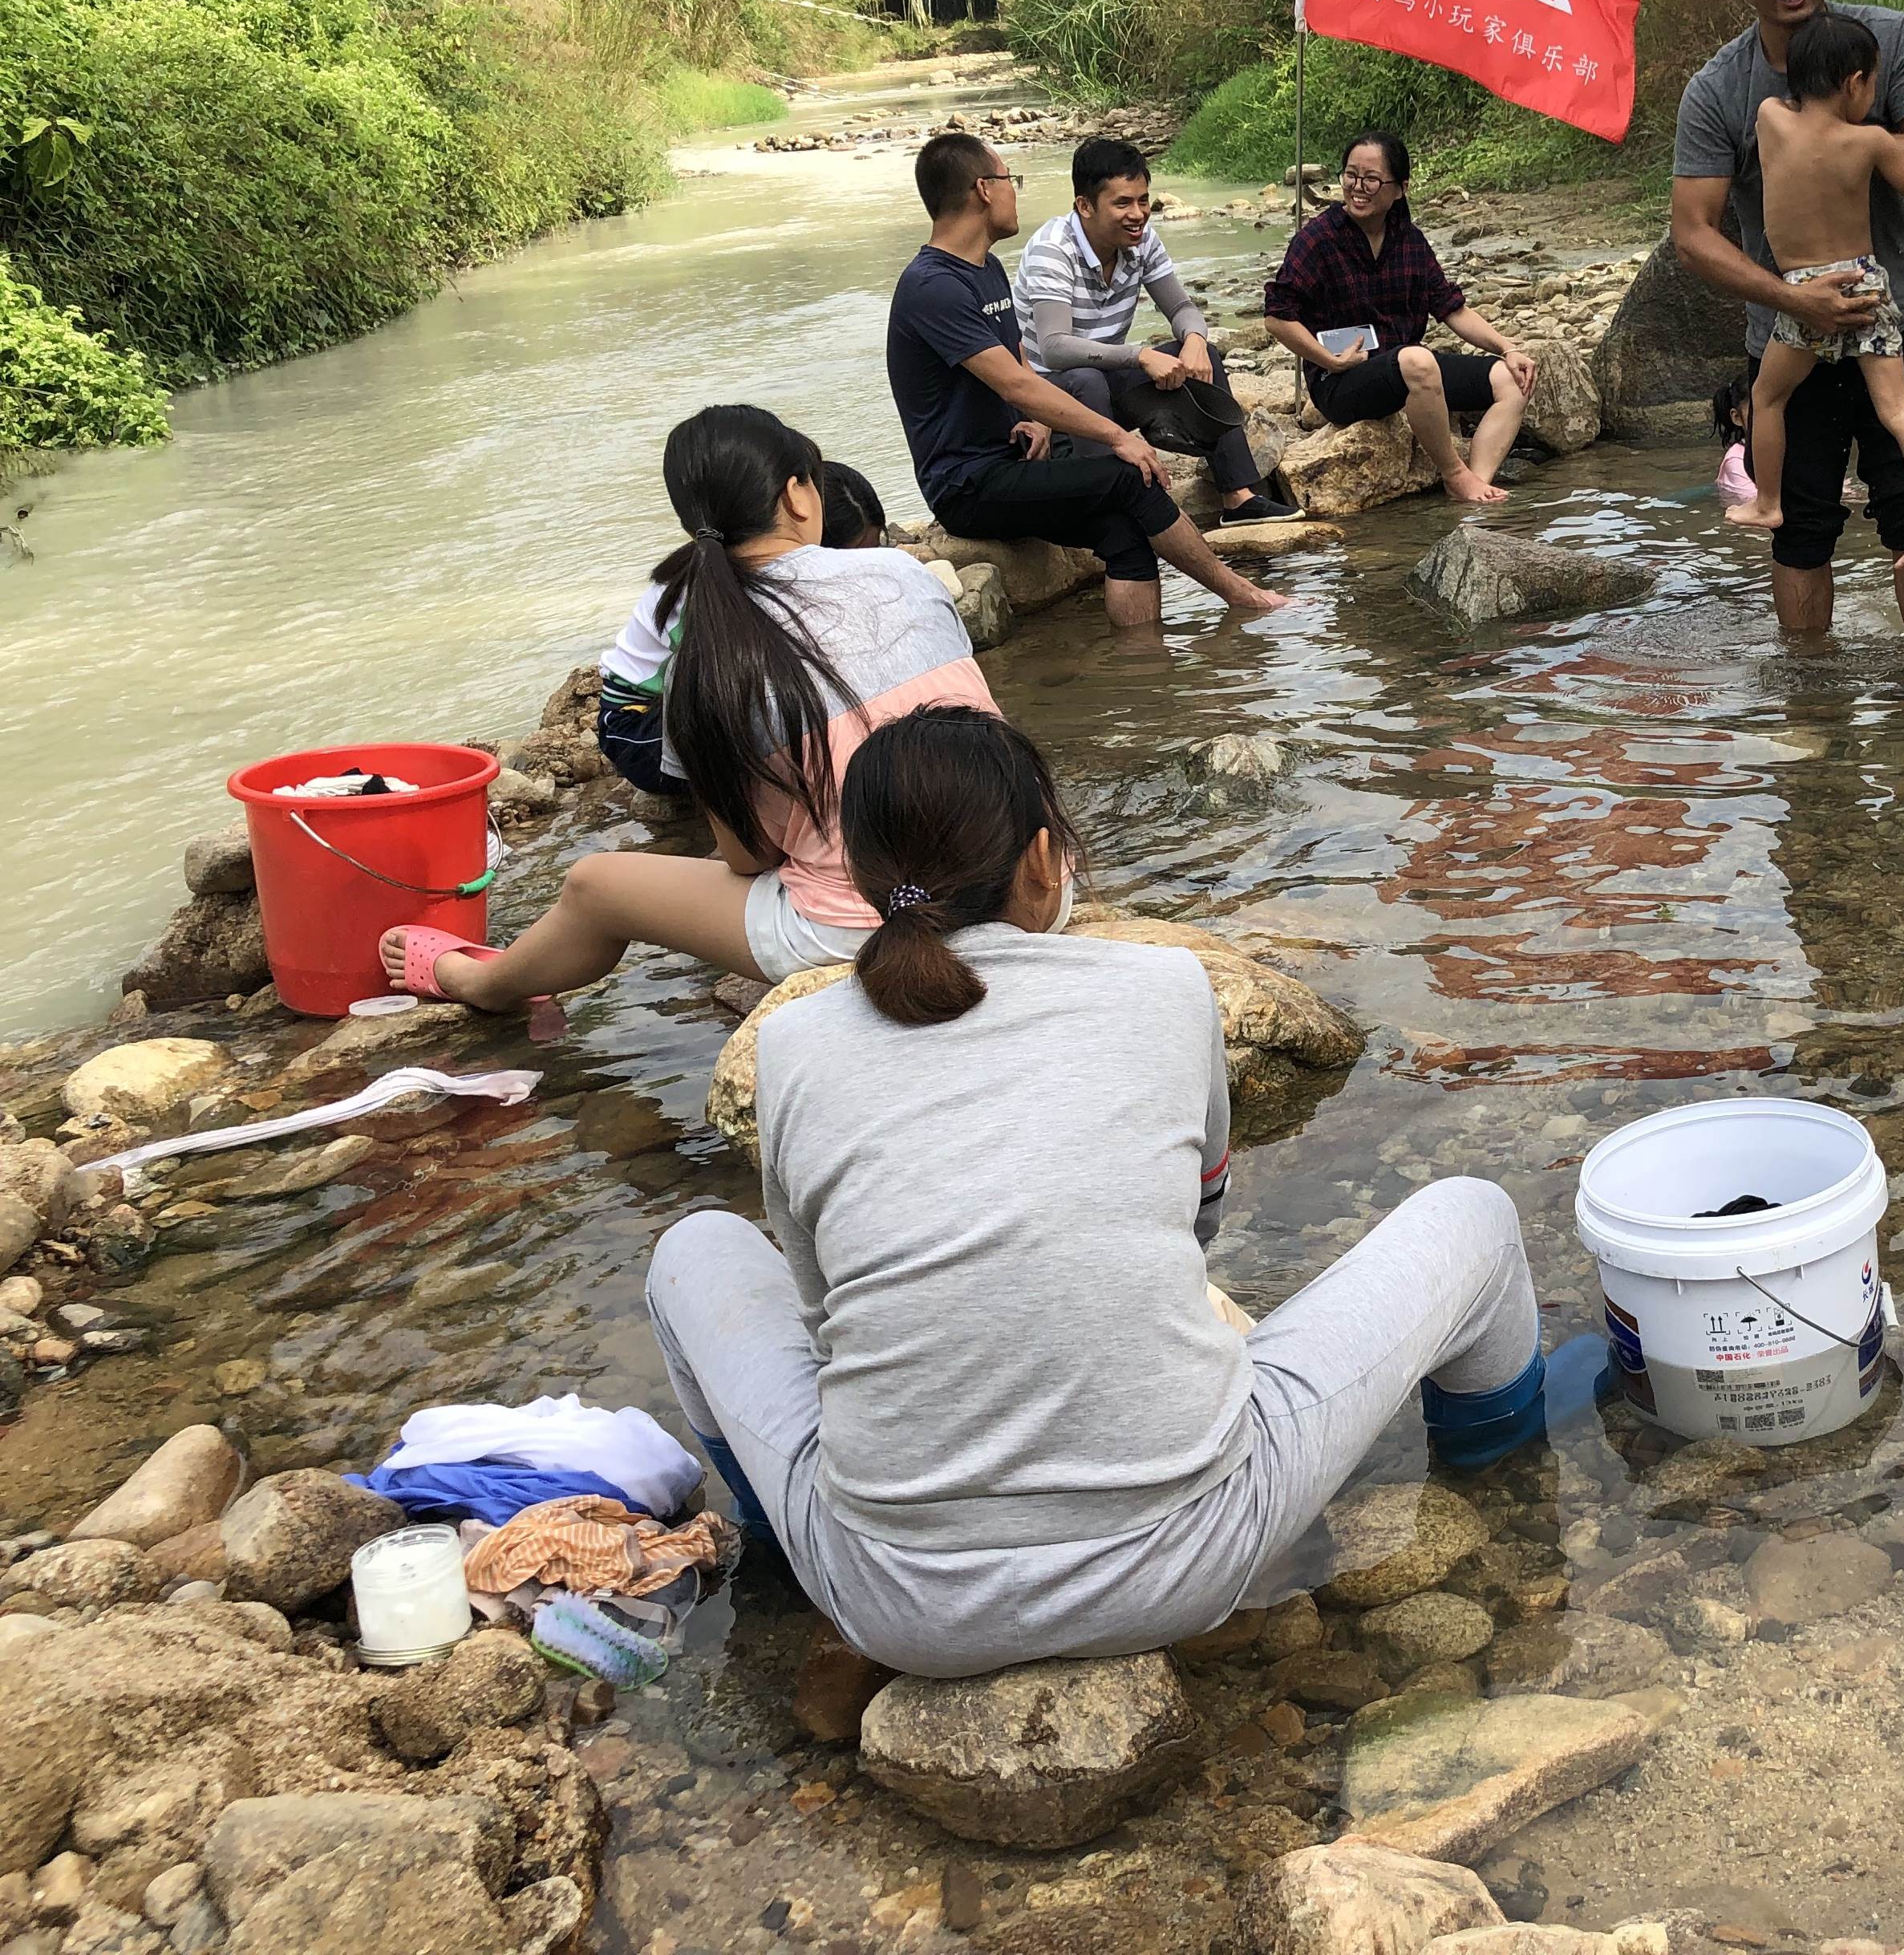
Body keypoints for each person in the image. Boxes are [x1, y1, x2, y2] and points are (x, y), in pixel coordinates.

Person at [641, 704, 1608, 1675]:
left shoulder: (794, 1044)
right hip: (1188, 1559)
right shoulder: (1166, 988)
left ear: (859, 877)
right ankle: (1497, 1477)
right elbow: (1199, 1224)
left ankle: (776, 1559)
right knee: (1474, 1219)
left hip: (897, 1606)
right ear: (1040, 859)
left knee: (691, 1255)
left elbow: (821, 1318)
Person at [383, 408, 998, 1015]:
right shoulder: (901, 571)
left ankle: (476, 985)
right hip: (1015, 885)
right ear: (799, 496)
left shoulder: (706, 658)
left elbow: (748, 860)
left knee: (593, 886)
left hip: (852, 932)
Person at [1671, 0, 1904, 641]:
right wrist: (1793, 299)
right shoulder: (1719, 89)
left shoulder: (1888, 40)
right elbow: (1694, 232)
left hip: (1900, 314)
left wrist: (1843, 146)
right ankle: (1811, 705)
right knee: (1801, 525)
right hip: (1787, 321)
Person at [889, 132, 1292, 625]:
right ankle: (1246, 597)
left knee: (1125, 537)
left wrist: (1032, 421)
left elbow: (1015, 366)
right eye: (1010, 180)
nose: (1016, 191)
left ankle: (1139, 677)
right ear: (984, 189)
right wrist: (1119, 437)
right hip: (967, 484)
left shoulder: (986, 268)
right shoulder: (934, 287)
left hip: (1018, 452)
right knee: (1130, 479)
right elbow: (1023, 381)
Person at [1730, 10, 1904, 570]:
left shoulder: (1769, 116)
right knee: (1898, 411)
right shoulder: (1869, 142)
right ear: (1855, 83)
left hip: (1807, 292)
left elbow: (1783, 105)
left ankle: (1768, 502)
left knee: (1769, 398)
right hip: (1867, 286)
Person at [1017, 138, 1296, 526]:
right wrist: (1141, 355)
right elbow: (1054, 349)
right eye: (1122, 204)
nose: (1138, 214)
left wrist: (1196, 341)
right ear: (1084, 206)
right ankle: (1110, 507)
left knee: (1203, 353)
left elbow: (1182, 309)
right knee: (1086, 378)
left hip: (1105, 379)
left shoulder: (1142, 240)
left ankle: (1238, 498)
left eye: (1143, 200)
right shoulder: (1053, 249)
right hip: (1052, 400)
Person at [594, 456, 901, 798]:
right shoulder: (722, 588)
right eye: (855, 559)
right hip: (638, 727)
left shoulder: (762, 566)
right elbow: (723, 688)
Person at [1262, 131, 1537, 506]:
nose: (1358, 188)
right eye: (1351, 176)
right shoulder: (1318, 240)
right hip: (1340, 379)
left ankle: (1477, 485)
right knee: (1418, 360)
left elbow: (1451, 308)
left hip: (1404, 366)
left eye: (1372, 179)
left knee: (1513, 378)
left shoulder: (1409, 241)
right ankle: (1454, 475)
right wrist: (1329, 361)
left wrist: (1508, 348)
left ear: (1399, 188)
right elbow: (1277, 318)